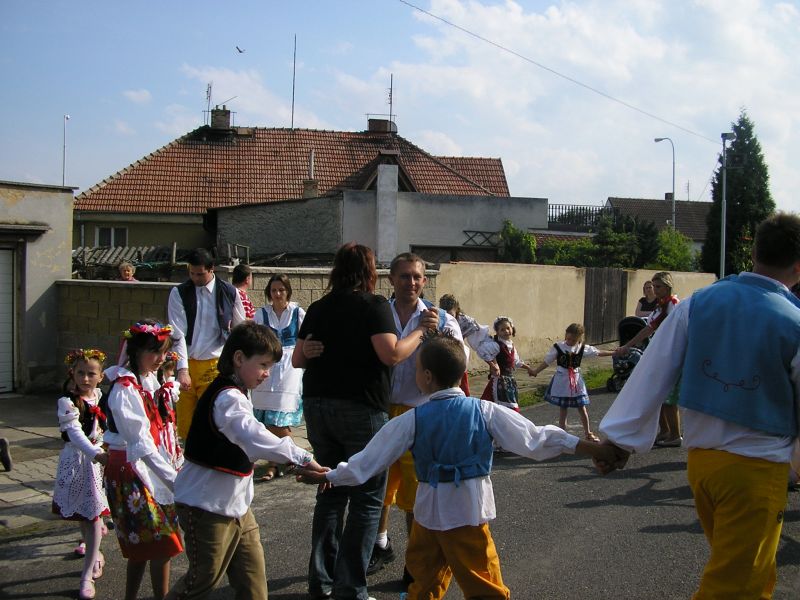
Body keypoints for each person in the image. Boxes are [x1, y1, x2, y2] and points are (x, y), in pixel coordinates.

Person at [297, 332, 616, 600]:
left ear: (426, 377)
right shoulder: (484, 411)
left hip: (427, 514)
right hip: (467, 511)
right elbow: (537, 439)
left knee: (424, 582)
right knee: (483, 584)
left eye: (417, 369)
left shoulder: (413, 418)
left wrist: (331, 474)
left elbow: (370, 459)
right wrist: (592, 448)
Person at [597, 212, 800, 599]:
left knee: (745, 573)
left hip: (703, 466)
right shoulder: (794, 321)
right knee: (735, 586)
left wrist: (620, 440)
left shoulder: (697, 303)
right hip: (757, 471)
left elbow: (654, 370)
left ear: (753, 253)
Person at [291, 242, 437, 600]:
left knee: (330, 492)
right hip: (360, 407)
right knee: (367, 498)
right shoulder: (374, 306)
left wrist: (309, 350)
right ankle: (351, 589)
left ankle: (322, 583)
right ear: (371, 272)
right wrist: (420, 332)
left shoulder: (318, 307)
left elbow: (297, 359)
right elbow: (392, 355)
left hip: (317, 405)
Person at [166, 321, 327, 600]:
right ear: (239, 358)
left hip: (237, 507)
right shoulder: (227, 397)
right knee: (200, 582)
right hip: (206, 507)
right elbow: (254, 436)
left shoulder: (238, 392)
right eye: (263, 365)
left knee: (253, 583)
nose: (267, 373)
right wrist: (301, 456)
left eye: (270, 366)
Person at [368, 254, 464, 585]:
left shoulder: (441, 319)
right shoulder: (379, 315)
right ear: (391, 280)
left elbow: (458, 363)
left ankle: (416, 562)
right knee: (379, 486)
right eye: (404, 276)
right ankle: (380, 544)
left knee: (414, 494)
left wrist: (436, 337)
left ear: (424, 281)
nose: (411, 282)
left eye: (416, 277)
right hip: (381, 410)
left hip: (419, 412)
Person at [103, 320, 183, 600]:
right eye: (154, 352)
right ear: (136, 351)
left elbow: (160, 433)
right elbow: (142, 445)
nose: (161, 358)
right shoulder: (124, 389)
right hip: (132, 470)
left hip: (151, 468)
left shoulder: (148, 380)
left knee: (151, 546)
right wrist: (174, 480)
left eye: (164, 352)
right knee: (161, 544)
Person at [168, 248, 246, 440]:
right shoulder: (179, 292)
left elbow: (239, 330)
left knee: (211, 420)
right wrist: (182, 370)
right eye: (192, 273)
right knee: (184, 423)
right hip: (186, 362)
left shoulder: (230, 292)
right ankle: (186, 456)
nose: (195, 278)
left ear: (212, 269)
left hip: (214, 363)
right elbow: (177, 334)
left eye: (200, 274)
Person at [53, 349, 111, 600]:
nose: (85, 378)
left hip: (99, 461)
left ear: (100, 377)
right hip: (78, 460)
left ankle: (87, 574)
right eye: (80, 373)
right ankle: (94, 549)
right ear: (72, 374)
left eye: (91, 374)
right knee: (84, 512)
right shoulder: (67, 402)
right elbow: (75, 433)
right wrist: (96, 453)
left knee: (94, 516)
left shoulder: (102, 396)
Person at [615, 271, 682, 446]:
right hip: (659, 352)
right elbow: (649, 328)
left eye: (658, 287)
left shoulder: (673, 304)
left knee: (667, 397)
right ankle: (665, 430)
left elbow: (669, 329)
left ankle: (675, 435)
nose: (655, 290)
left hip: (670, 354)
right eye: (654, 286)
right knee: (656, 395)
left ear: (667, 287)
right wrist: (628, 345)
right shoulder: (661, 305)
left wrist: (628, 345)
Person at [252, 274, 306, 481]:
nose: (277, 294)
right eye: (274, 290)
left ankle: (292, 458)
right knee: (266, 420)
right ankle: (277, 463)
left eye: (281, 290)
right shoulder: (262, 314)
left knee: (278, 419)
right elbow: (254, 340)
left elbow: (305, 339)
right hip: (268, 367)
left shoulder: (297, 313)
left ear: (288, 291)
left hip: (289, 369)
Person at [530, 323, 613, 442]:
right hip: (562, 380)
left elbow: (598, 353)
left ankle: (588, 433)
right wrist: (535, 371)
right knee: (563, 409)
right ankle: (562, 434)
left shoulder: (581, 348)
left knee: (582, 407)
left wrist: (614, 352)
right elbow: (547, 361)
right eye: (568, 338)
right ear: (566, 335)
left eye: (573, 340)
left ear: (579, 338)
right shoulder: (558, 347)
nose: (570, 341)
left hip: (576, 381)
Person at [438, 293, 491, 396]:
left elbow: (479, 343)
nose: (448, 318)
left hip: (459, 357)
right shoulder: (439, 317)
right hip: (443, 357)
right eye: (445, 314)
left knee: (462, 390)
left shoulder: (465, 321)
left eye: (451, 315)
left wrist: (491, 363)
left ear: (456, 310)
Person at [478, 316, 536, 411]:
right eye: (502, 330)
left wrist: (528, 368)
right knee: (496, 407)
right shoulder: (496, 345)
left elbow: (516, 361)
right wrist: (493, 365)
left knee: (508, 408)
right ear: (497, 332)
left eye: (508, 328)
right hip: (498, 381)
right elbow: (482, 352)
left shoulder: (511, 345)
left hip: (509, 381)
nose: (506, 331)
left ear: (512, 328)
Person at [156, 351, 183, 470]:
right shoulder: (160, 390)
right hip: (160, 429)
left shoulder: (169, 388)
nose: (172, 373)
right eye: (170, 369)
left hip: (169, 427)